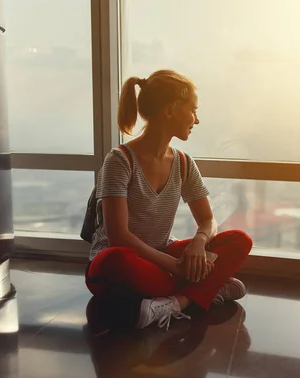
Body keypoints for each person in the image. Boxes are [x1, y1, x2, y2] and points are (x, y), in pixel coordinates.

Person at [84, 69, 253, 330]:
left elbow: (208, 220)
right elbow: (119, 237)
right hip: (125, 263)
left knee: (239, 241)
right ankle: (208, 287)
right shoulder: (119, 161)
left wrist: (198, 243)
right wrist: (177, 267)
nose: (196, 120)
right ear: (170, 110)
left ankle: (176, 302)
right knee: (112, 260)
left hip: (162, 258)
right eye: (192, 110)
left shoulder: (184, 163)